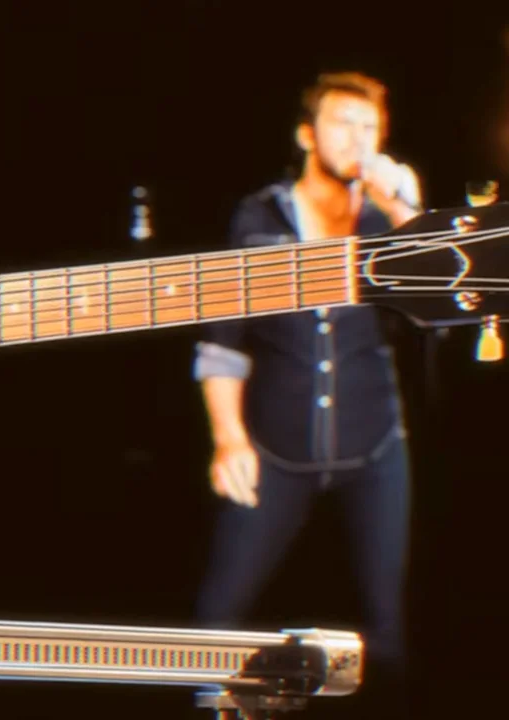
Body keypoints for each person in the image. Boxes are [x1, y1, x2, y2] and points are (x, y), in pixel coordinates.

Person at [192, 71, 420, 713]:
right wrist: (229, 438)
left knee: (387, 624)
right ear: (306, 134)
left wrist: (403, 210)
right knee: (218, 610)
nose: (358, 138)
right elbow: (222, 342)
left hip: (374, 445)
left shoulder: (386, 219)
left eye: (370, 127)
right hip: (276, 446)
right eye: (343, 123)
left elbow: (439, 305)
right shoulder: (259, 216)